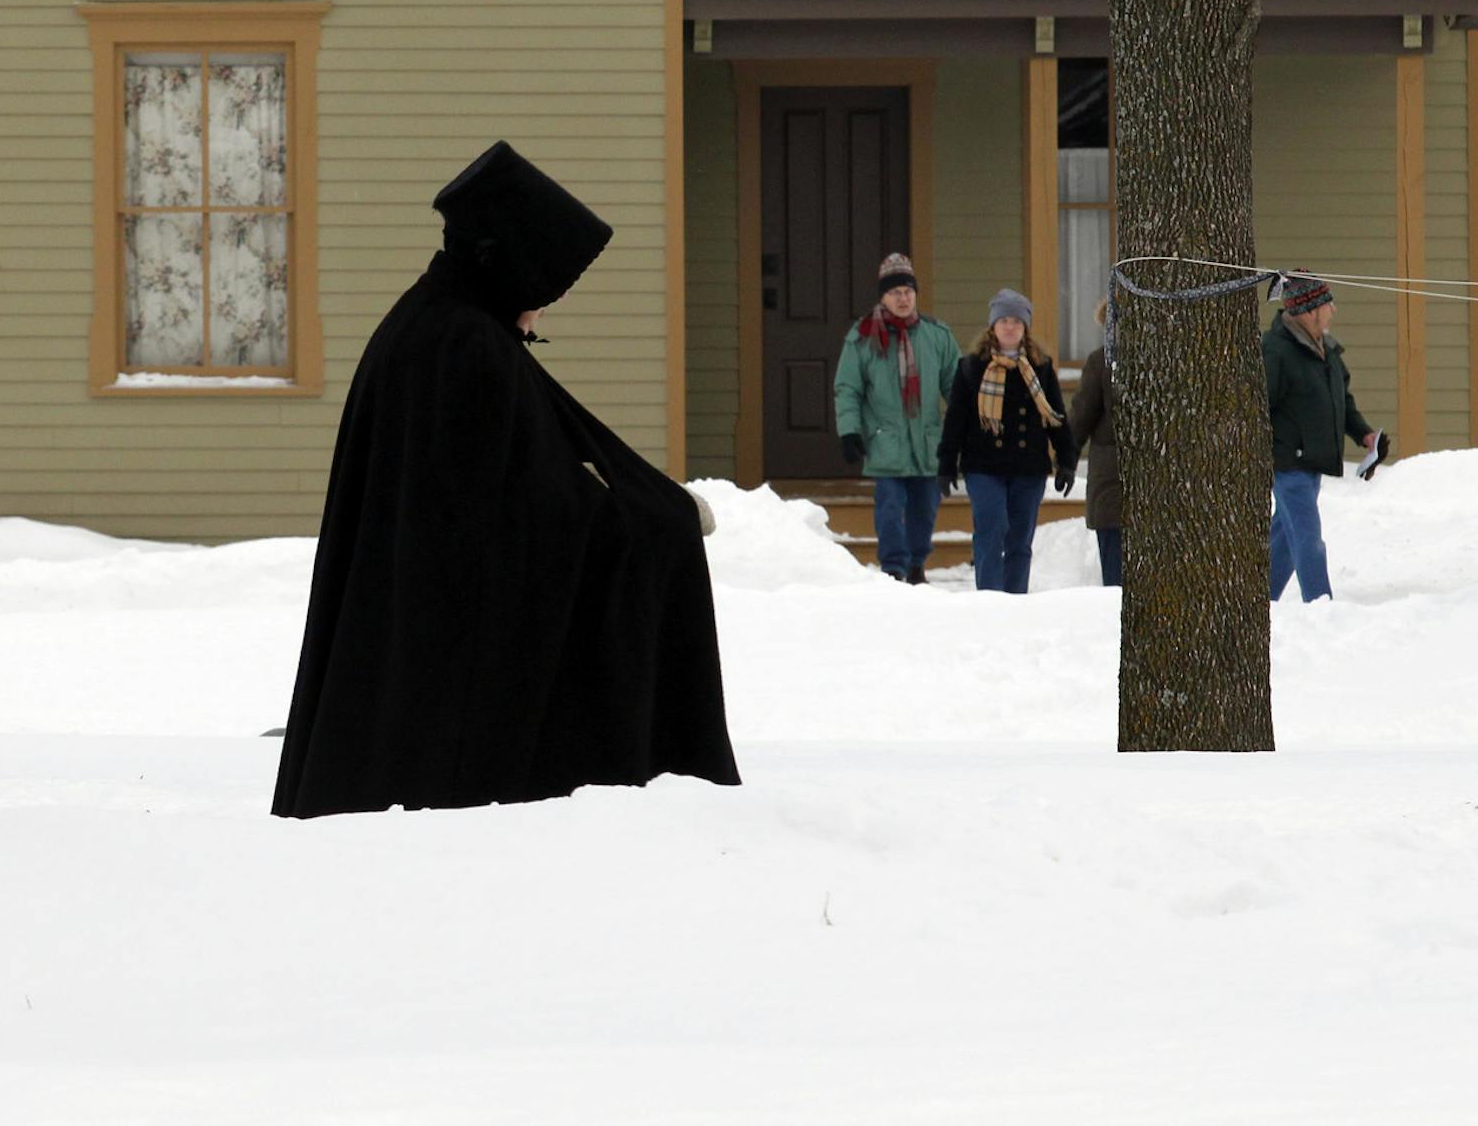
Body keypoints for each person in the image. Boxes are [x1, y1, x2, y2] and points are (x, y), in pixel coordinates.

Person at [272, 141, 741, 818]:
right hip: (441, 703)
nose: (544, 309)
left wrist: (639, 501)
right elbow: (512, 513)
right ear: (513, 264)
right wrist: (644, 518)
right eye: (545, 288)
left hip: (409, 666)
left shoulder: (435, 323)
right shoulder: (462, 345)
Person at [832, 253, 962, 584]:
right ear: (883, 297)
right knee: (890, 509)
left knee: (924, 509)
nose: (902, 299)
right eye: (895, 293)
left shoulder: (937, 336)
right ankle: (893, 566)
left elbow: (957, 389)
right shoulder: (863, 337)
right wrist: (849, 431)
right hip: (884, 439)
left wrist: (962, 434)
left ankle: (917, 564)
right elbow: (848, 388)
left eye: (907, 292)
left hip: (927, 441)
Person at [938, 290, 1077, 595]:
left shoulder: (1040, 367)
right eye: (1004, 321)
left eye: (1016, 321)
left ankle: (1016, 599)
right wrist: (946, 463)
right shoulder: (972, 367)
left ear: (1025, 326)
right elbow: (956, 419)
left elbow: (1056, 415)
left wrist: (1066, 461)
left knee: (1019, 539)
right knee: (990, 529)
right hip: (983, 465)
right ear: (992, 327)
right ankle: (989, 598)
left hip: (1029, 467)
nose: (1010, 327)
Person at [1261, 271, 1377, 603]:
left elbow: (1342, 400)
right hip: (1288, 461)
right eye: (1329, 303)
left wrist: (1364, 435)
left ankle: (1260, 602)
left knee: (1286, 532)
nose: (1334, 311)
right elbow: (1260, 407)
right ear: (1310, 309)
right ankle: (1319, 604)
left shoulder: (1326, 350)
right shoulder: (1276, 351)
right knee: (1307, 537)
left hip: (1312, 461)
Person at [1066, 299, 1123, 587]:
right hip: (1110, 480)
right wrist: (1067, 458)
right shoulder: (1100, 362)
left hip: (1146, 487)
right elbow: (1081, 416)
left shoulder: (1159, 360)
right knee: (1115, 577)